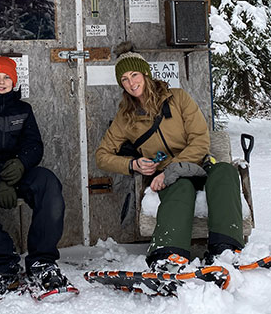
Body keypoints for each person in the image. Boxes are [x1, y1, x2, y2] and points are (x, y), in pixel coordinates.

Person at [95, 51, 244, 272]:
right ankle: (168, 256)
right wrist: (132, 165)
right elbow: (102, 156)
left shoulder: (178, 98)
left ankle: (225, 250)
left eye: (134, 75)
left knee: (225, 171)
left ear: (146, 74)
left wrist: (173, 168)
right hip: (169, 179)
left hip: (197, 165)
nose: (130, 83)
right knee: (181, 187)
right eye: (124, 79)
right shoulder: (125, 116)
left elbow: (200, 140)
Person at [0, 55, 72, 297]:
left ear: (14, 81)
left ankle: (42, 260)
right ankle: (1, 262)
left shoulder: (24, 110)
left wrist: (21, 163)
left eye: (7, 77)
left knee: (48, 182)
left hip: (19, 172)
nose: (2, 81)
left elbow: (34, 145)